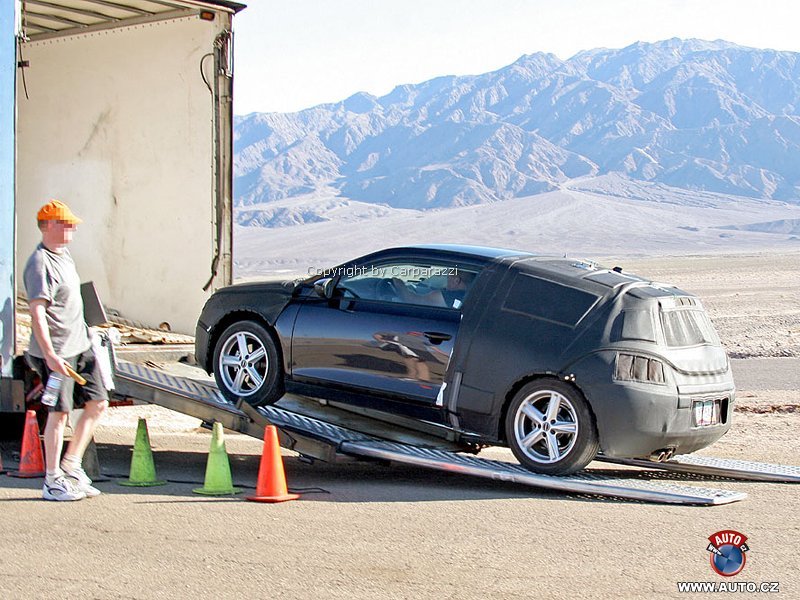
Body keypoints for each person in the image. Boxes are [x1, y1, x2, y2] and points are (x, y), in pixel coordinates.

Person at [23, 199, 108, 501]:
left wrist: (94, 328)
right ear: (48, 225)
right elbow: (37, 313)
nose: (71, 227)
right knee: (59, 414)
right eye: (65, 222)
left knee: (98, 403)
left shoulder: (65, 256)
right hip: (58, 353)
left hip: (81, 346)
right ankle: (52, 480)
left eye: (72, 223)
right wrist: (49, 355)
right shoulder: (39, 263)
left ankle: (72, 466)